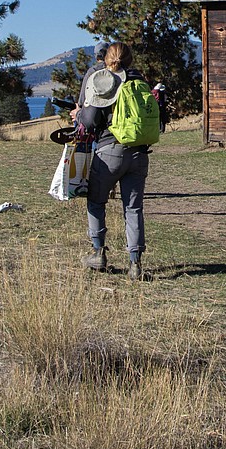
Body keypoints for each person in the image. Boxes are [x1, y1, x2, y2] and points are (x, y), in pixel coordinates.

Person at [77, 42, 150, 281]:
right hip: (139, 152)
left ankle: (98, 252)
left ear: (106, 58)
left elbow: (88, 122)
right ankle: (135, 264)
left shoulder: (103, 81)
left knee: (96, 201)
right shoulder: (140, 81)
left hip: (110, 150)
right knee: (133, 208)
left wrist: (77, 114)